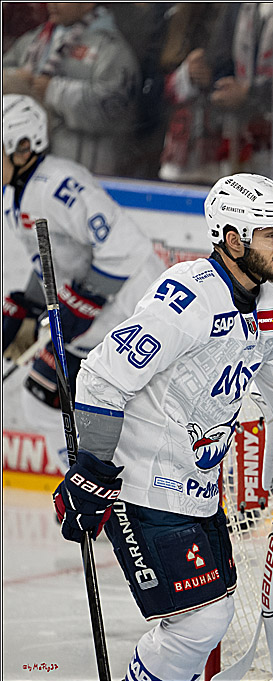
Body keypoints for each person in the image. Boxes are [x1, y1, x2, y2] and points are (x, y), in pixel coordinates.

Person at [52, 173, 273, 681]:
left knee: (206, 621)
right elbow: (104, 375)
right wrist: (90, 472)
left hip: (198, 490)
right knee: (198, 624)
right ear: (233, 239)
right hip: (143, 485)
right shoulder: (186, 296)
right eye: (272, 233)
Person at [2, 94, 164, 457]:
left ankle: (102, 495)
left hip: (132, 314)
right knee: (44, 401)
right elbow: (54, 260)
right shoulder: (16, 195)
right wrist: (28, 304)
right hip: (97, 320)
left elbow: (125, 247)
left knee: (120, 417)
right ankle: (90, 495)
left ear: (24, 147)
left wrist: (81, 303)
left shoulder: (59, 185)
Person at [2, 2, 139, 175]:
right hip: (31, 169)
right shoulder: (36, 40)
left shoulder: (110, 48)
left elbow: (115, 107)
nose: (51, 3)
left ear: (88, 4)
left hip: (85, 172)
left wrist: (53, 90)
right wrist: (16, 80)